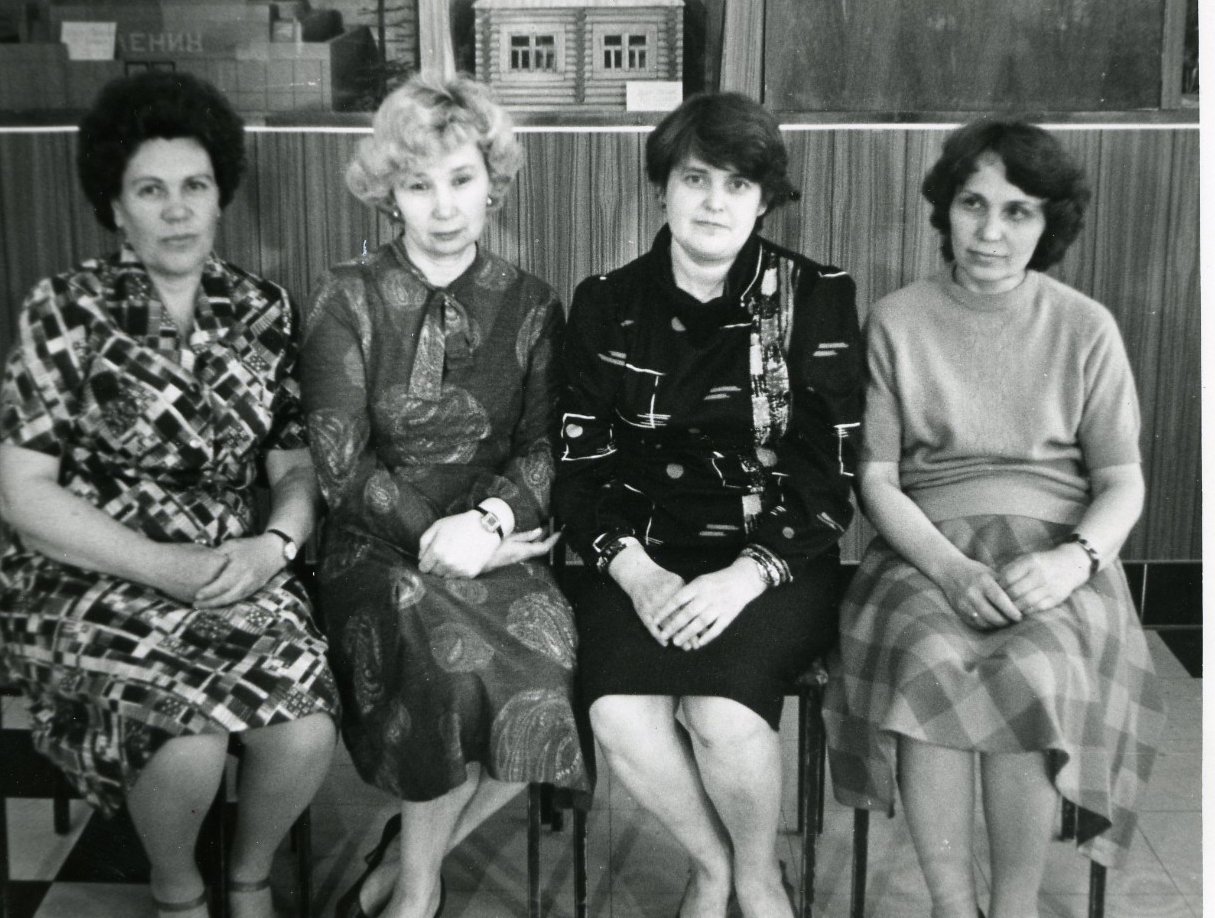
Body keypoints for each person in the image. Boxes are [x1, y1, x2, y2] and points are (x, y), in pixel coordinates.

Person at [0, 72, 340, 918]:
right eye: (151, 190)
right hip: (94, 570)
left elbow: (295, 468)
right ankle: (178, 887)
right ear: (116, 206)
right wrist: (157, 564)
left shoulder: (262, 309)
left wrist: (274, 547)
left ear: (221, 195)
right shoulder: (65, 310)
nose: (178, 210)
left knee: (304, 726)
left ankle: (248, 875)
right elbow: (22, 492)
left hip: (232, 566)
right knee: (185, 740)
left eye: (196, 186)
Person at [822, 119, 1166, 918]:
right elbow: (876, 478)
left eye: (1019, 211)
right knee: (929, 664)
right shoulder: (896, 320)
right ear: (946, 209)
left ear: (1050, 225)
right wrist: (950, 569)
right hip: (925, 550)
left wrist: (1073, 560)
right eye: (973, 204)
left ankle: (1012, 909)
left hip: (1056, 552)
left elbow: (1122, 480)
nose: (990, 231)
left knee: (1030, 674)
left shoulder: (1086, 326)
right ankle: (953, 906)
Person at [553, 92, 863, 918]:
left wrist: (745, 576)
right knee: (620, 712)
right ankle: (712, 864)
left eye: (738, 184)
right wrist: (636, 571)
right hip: (639, 550)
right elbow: (580, 468)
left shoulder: (815, 296)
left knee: (721, 712)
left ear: (765, 199)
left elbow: (830, 472)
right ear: (663, 188)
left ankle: (759, 874)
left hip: (774, 555)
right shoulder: (606, 301)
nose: (715, 202)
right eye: (696, 178)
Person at [299, 73, 590, 918]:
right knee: (444, 666)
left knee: (553, 676)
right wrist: (445, 539)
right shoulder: (345, 295)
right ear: (389, 194)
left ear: (492, 181)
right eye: (418, 185)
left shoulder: (532, 301)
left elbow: (545, 444)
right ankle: (419, 890)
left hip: (501, 543)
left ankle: (406, 865)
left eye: (461, 179)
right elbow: (340, 462)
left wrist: (490, 525)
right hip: (377, 548)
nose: (444, 205)